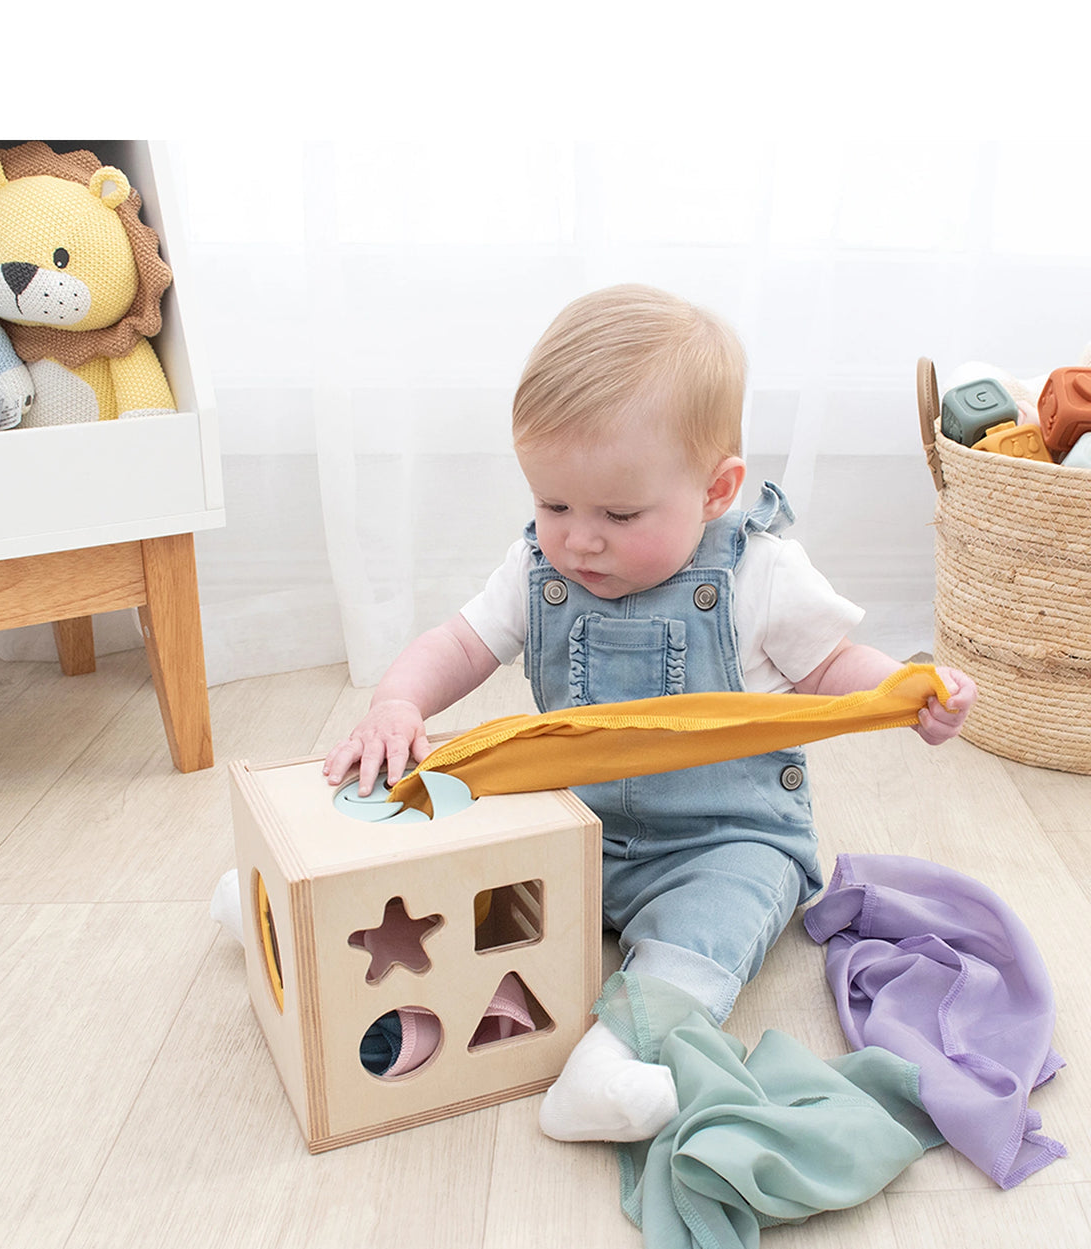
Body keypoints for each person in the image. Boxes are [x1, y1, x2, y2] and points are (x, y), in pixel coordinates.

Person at [322, 284, 977, 1145]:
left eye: (618, 514)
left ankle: (616, 1060)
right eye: (552, 505)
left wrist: (904, 691)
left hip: (720, 839)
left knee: (707, 929)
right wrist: (396, 702)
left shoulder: (759, 572)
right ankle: (325, 900)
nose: (577, 539)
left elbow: (834, 666)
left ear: (717, 490)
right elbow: (459, 643)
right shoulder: (537, 567)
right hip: (569, 823)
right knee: (456, 833)